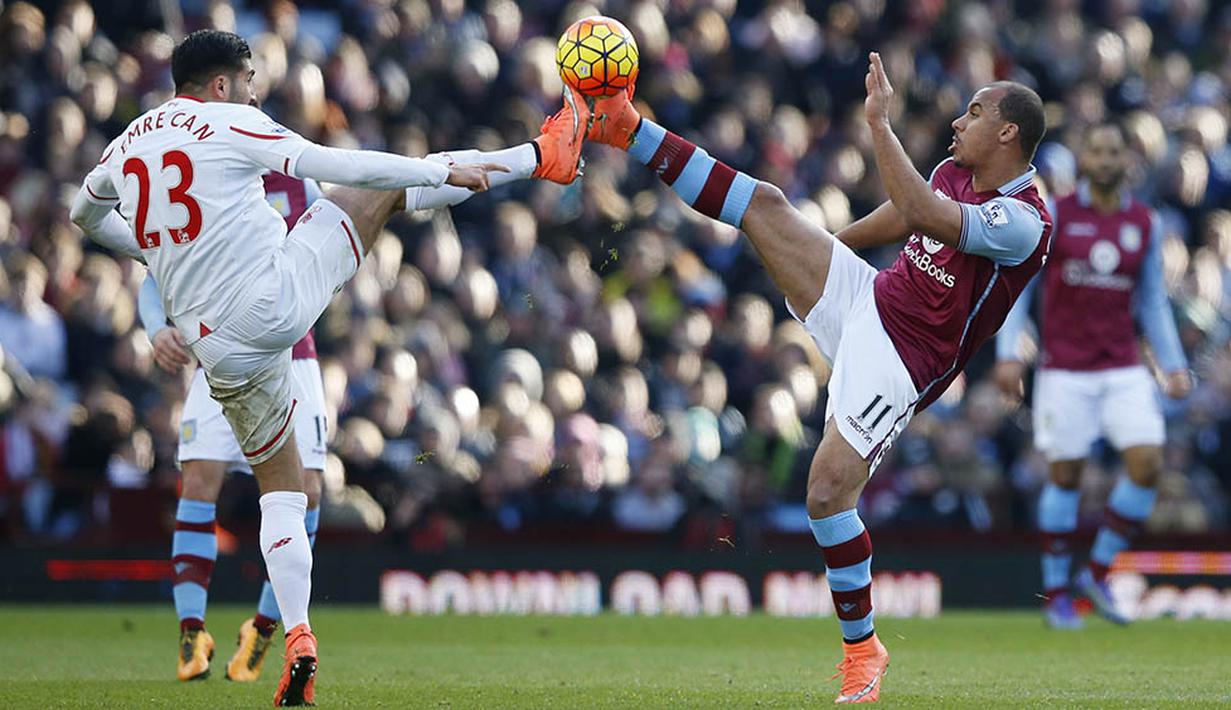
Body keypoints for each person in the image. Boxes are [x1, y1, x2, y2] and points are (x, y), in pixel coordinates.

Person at [70, 29, 586, 706]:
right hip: (274, 304)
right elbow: (331, 161)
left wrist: (150, 255)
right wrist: (435, 172)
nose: (256, 90)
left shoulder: (130, 139)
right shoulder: (232, 121)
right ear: (222, 84)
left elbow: (84, 213)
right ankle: (537, 155)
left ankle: (296, 638)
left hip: (217, 348)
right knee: (376, 193)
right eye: (249, 78)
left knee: (280, 489)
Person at [585, 53, 1050, 703]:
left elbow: (924, 214)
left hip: (904, 360)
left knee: (826, 493)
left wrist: (878, 125)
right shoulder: (954, 169)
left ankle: (863, 651)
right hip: (869, 297)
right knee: (768, 206)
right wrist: (831, 243)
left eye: (973, 111)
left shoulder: (1024, 221)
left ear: (1007, 133)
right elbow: (904, 213)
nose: (956, 119)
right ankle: (627, 126)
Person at [993, 121, 1190, 630]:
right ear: (1085, 159)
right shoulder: (1055, 215)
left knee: (1147, 464)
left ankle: (1095, 572)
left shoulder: (1144, 222)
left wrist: (1171, 364)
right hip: (1064, 368)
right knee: (1067, 477)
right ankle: (1056, 593)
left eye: (1112, 151)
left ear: (1126, 160)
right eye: (1096, 150)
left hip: (1123, 364)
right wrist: (1009, 350)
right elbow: (1019, 286)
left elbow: (1151, 300)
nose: (1104, 159)